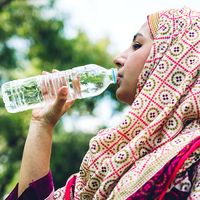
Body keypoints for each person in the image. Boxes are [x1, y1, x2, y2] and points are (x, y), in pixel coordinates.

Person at [6, 6, 200, 200]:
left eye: (137, 45)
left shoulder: (193, 156)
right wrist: (42, 125)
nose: (118, 58)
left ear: (176, 60)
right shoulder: (114, 157)